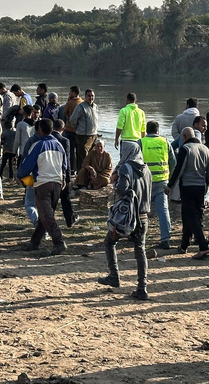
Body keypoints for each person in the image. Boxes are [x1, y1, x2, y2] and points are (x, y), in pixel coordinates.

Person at [98, 141, 152, 300]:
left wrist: (118, 185)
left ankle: (114, 275)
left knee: (110, 242)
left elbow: (122, 188)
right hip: (143, 216)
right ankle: (142, 287)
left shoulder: (126, 168)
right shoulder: (147, 169)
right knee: (140, 250)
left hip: (127, 216)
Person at [17, 118, 68, 255]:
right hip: (57, 184)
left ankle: (59, 241)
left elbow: (28, 165)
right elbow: (65, 166)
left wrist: (20, 176)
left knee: (47, 215)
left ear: (40, 130)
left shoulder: (38, 146)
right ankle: (35, 242)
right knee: (45, 215)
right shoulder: (59, 145)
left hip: (42, 183)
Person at [167, 127, 209, 257]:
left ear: (184, 136)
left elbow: (179, 169)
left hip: (187, 187)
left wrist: (170, 186)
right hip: (201, 187)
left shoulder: (185, 149)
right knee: (194, 215)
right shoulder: (206, 149)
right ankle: (184, 244)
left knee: (191, 216)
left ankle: (203, 246)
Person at [138, 121, 176, 249]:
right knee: (163, 210)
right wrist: (170, 180)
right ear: (157, 130)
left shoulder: (141, 142)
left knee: (141, 210)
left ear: (147, 130)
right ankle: (165, 239)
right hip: (162, 182)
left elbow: (135, 162)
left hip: (145, 182)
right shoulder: (165, 142)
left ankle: (138, 235)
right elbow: (173, 163)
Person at [68, 88, 98, 173]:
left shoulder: (95, 106)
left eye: (92, 96)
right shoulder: (81, 107)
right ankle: (81, 178)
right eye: (89, 96)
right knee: (83, 159)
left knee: (92, 158)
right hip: (83, 137)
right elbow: (72, 119)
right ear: (85, 96)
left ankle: (89, 177)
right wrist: (77, 128)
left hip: (93, 136)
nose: (91, 97)